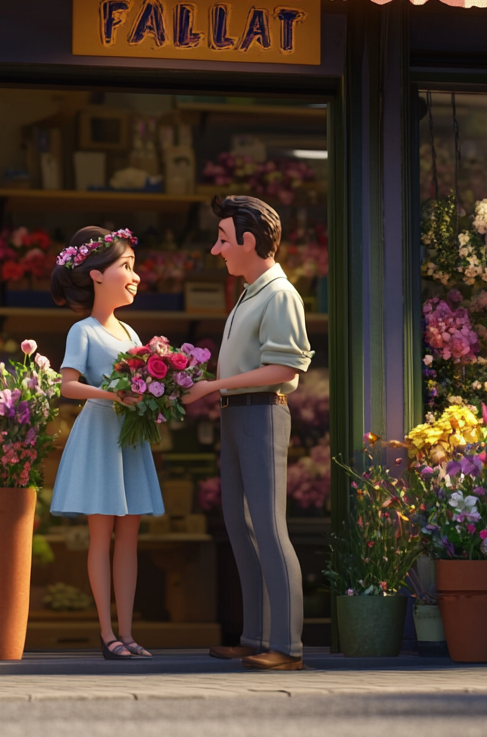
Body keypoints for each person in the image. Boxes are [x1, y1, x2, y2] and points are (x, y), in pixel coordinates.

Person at [183, 196, 314, 671]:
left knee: (268, 528)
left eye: (222, 240)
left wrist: (213, 385)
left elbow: (285, 367)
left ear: (249, 241)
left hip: (261, 414)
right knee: (240, 526)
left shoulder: (280, 294)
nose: (217, 250)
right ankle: (257, 635)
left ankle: (287, 646)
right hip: (237, 415)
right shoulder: (250, 292)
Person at [49, 226, 167, 660]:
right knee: (102, 536)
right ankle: (106, 632)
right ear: (96, 275)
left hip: (129, 437)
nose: (135, 276)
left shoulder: (133, 335)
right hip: (100, 434)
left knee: (130, 536)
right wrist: (115, 395)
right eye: (126, 267)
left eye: (133, 267)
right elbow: (67, 386)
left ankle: (129, 632)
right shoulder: (83, 331)